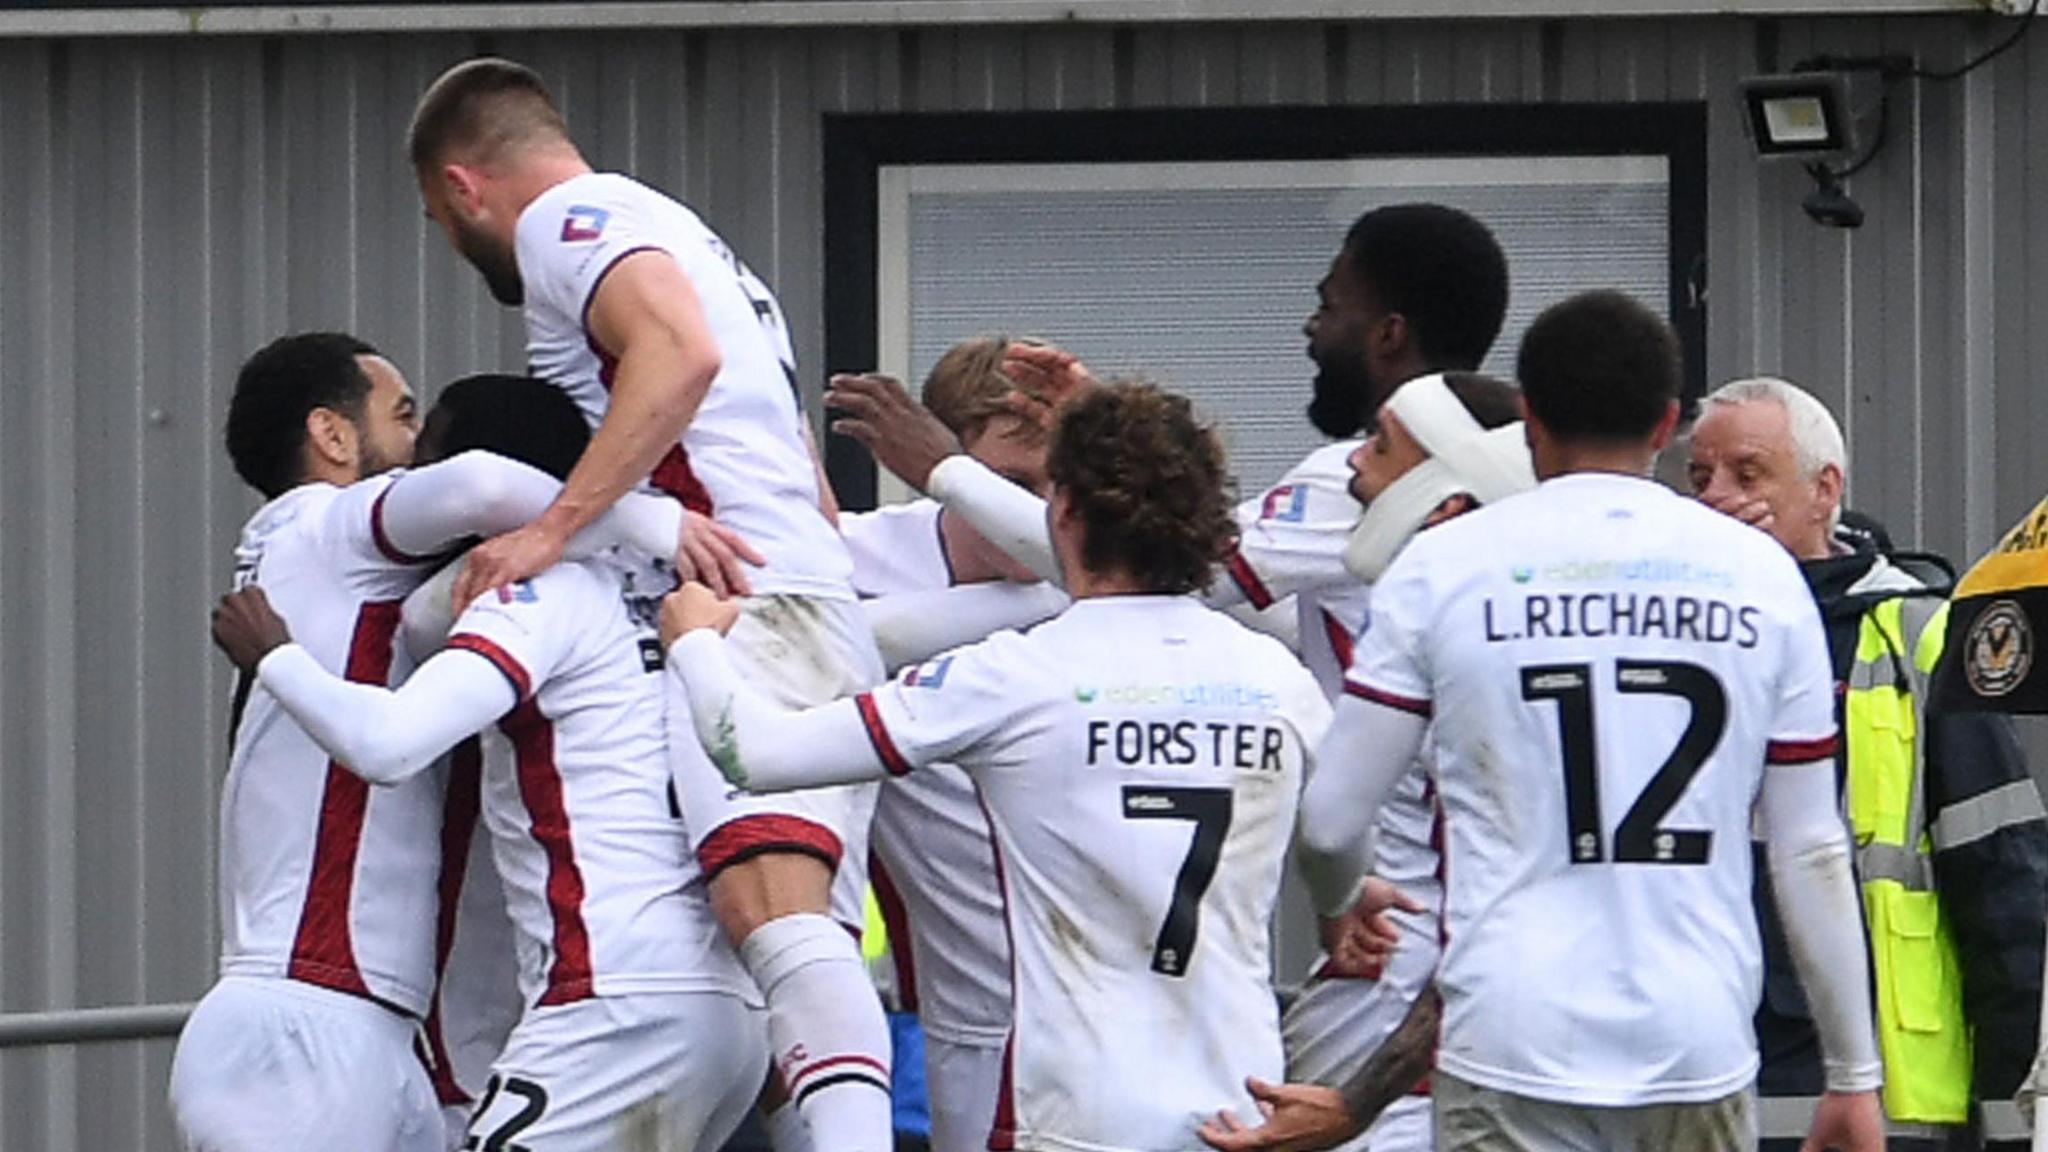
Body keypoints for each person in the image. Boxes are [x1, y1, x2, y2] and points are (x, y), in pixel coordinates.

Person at [832, 206, 1510, 1152]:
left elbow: (1152, 572)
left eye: (1329, 305)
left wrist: (946, 475)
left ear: (1388, 332)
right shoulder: (1515, 517)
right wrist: (1109, 430)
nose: (1310, 327)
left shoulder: (1356, 486)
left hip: (1397, 955)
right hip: (1466, 951)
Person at [1213, 291, 1888, 1152]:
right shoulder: (1760, 576)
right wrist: (1853, 1074)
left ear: (1528, 415)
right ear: (1667, 424)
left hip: (1509, 1031)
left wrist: (1341, 898)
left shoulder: (1445, 565)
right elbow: (1810, 847)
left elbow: (1333, 819)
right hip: (1696, 1034)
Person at [409, 57, 893, 1149]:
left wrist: (554, 526)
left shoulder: (566, 222)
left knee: (773, 920)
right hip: (798, 591)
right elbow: (802, 466)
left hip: (745, 604)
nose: (453, 243)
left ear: (461, 186)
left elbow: (679, 356)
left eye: (440, 220)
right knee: (781, 956)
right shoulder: (690, 238)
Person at [664, 380, 1333, 1152]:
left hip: (1072, 1114)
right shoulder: (1281, 680)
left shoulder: (1015, 673)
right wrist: (1351, 898)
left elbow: (756, 753)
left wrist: (696, 643)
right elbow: (1341, 835)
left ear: (1064, 514)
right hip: (1241, 1109)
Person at [209, 375, 767, 1152]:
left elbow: (388, 742)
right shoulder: (690, 603)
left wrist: (277, 658)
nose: (416, 476)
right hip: (735, 1011)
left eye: (427, 451)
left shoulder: (528, 598)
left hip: (610, 998)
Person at [1689, 377, 2048, 1151]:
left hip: (1882, 1107)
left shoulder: (1916, 635)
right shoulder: (1667, 640)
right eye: (1699, 477)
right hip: (1695, 1090)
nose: (1716, 497)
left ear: (1825, 491)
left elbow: (2002, 883)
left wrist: (2009, 1117)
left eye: (1746, 474)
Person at [836, 335, 1071, 1152]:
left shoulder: (1116, 572)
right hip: (972, 1026)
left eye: (1061, 483)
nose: (1043, 513)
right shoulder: (851, 563)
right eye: (1010, 486)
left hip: (1133, 1017)